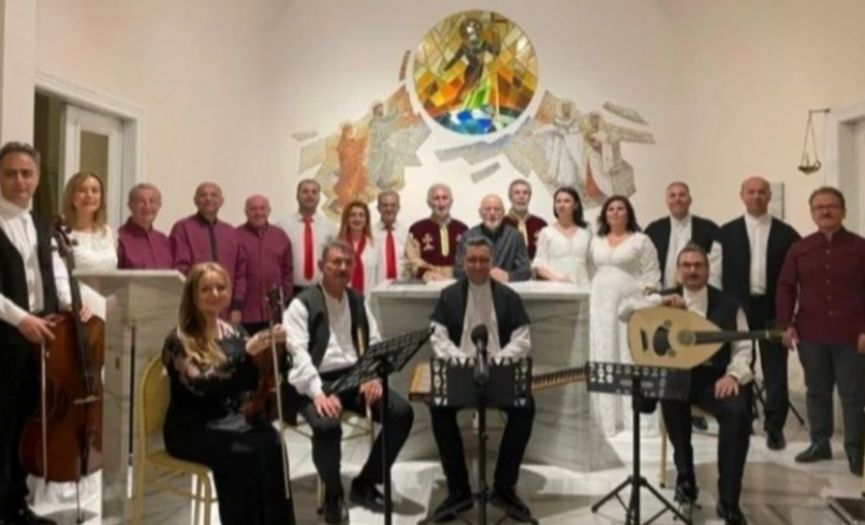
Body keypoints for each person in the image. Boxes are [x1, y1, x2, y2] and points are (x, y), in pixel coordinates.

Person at [282, 240, 414, 524]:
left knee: (401, 413)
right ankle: (333, 494)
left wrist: (371, 375)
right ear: (321, 266)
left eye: (347, 263)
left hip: (355, 375)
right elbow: (298, 354)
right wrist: (318, 393)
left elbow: (374, 342)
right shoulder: (301, 304)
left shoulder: (357, 300)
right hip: (316, 378)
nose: (342, 268)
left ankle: (365, 482)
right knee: (328, 427)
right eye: (335, 262)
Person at [623, 244, 753, 525]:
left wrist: (732, 375)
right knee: (671, 396)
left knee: (738, 412)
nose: (692, 270)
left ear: (708, 270)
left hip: (714, 377)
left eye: (698, 265)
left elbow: (743, 346)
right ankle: (686, 480)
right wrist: (657, 303)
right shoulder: (665, 297)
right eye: (686, 265)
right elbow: (625, 312)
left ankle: (729, 500)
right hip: (677, 374)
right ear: (678, 270)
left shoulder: (729, 304)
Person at [161, 262, 295, 525]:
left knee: (272, 441)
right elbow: (204, 385)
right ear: (192, 295)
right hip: (191, 427)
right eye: (206, 289)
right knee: (242, 453)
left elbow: (251, 380)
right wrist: (247, 353)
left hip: (230, 419)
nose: (215, 294)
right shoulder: (179, 338)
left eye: (221, 287)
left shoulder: (235, 331)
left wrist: (276, 353)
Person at [428, 236, 535, 523]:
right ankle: (459, 489)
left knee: (526, 408)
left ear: (492, 262)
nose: (478, 265)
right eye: (472, 260)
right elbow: (437, 337)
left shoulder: (508, 296)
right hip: (460, 373)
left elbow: (523, 340)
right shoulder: (449, 295)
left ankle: (503, 486)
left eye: (483, 260)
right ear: (464, 262)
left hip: (499, 373)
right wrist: (464, 362)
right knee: (439, 409)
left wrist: (495, 362)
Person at [0, 141, 75, 525]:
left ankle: (16, 505)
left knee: (27, 425)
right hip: (5, 338)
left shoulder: (43, 224)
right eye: (10, 173)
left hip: (42, 340)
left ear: (36, 178)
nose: (19, 181)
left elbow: (55, 276)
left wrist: (77, 305)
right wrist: (19, 319)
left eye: (26, 173)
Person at [777, 187, 865, 475]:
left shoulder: (860, 247)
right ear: (812, 212)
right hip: (811, 333)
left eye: (831, 206)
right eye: (819, 207)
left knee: (853, 394)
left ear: (843, 210)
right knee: (817, 392)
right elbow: (786, 287)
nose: (825, 211)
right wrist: (785, 324)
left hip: (852, 335)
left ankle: (855, 450)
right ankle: (820, 443)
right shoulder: (800, 248)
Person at [720, 176, 799, 451]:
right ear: (741, 195)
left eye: (762, 192)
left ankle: (774, 427)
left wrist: (791, 315)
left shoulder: (787, 234)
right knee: (740, 364)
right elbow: (717, 274)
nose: (756, 196)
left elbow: (795, 278)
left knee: (775, 370)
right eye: (751, 192)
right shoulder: (726, 232)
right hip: (737, 308)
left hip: (774, 308)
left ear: (769, 196)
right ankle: (743, 418)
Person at [589, 195, 660, 436]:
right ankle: (609, 418)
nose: (616, 212)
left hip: (628, 307)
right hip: (599, 305)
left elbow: (651, 277)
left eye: (621, 208)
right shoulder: (595, 241)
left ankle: (635, 416)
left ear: (628, 213)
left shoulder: (641, 240)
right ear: (605, 215)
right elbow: (589, 271)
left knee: (629, 356)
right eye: (611, 209)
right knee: (604, 354)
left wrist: (645, 304)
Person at [170, 182, 247, 323]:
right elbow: (180, 267)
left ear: (221, 201)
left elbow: (240, 272)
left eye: (214, 195)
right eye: (203, 195)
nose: (208, 198)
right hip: (194, 306)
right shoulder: (183, 228)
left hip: (226, 309)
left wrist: (237, 305)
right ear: (195, 200)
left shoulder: (231, 232)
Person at [644, 181, 722, 289]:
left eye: (682, 195)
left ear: (690, 200)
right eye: (672, 196)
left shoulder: (708, 228)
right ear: (667, 202)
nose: (677, 199)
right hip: (663, 294)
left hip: (699, 294)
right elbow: (647, 265)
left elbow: (715, 268)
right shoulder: (653, 230)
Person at [62, 171, 118, 320]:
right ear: (71, 196)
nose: (89, 195)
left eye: (95, 190)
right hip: (79, 309)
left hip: (109, 308)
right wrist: (72, 303)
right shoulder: (61, 234)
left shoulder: (110, 232)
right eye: (82, 190)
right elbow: (58, 278)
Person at [235, 195, 293, 335]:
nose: (258, 213)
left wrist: (285, 298)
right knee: (249, 352)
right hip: (246, 310)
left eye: (262, 208)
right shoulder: (235, 236)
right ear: (246, 212)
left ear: (269, 211)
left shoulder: (280, 236)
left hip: (274, 310)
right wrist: (235, 307)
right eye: (253, 209)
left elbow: (287, 270)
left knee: (275, 353)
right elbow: (233, 273)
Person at [278, 179, 337, 297]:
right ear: (297, 195)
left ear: (319, 197)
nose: (309, 195)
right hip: (291, 291)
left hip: (321, 291)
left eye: (314, 192)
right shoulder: (282, 226)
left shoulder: (330, 227)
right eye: (305, 191)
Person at [453, 194, 531, 283]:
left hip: (506, 289)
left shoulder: (515, 236)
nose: (492, 213)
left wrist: (509, 276)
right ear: (480, 213)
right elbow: (458, 271)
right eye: (487, 209)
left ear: (503, 213)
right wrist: (483, 274)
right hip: (476, 289)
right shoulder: (468, 236)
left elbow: (525, 270)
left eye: (497, 209)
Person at [531, 186, 591, 291]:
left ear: (576, 205)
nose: (562, 205)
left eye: (567, 201)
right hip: (555, 288)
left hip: (583, 287)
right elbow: (539, 264)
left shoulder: (586, 233)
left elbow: (592, 264)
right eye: (558, 201)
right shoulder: (546, 232)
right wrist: (558, 279)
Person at [406, 183, 468, 281]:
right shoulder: (417, 229)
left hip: (457, 283)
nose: (441, 203)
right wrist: (425, 272)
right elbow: (412, 258)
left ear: (451, 202)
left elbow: (469, 257)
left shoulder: (463, 229)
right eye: (436, 198)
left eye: (445, 198)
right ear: (429, 203)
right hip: (428, 283)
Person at [117, 183, 173, 269]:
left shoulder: (164, 241)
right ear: (130, 206)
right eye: (141, 202)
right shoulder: (117, 239)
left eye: (152, 201)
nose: (147, 206)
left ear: (159, 206)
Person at [338, 200, 378, 296]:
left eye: (361, 215)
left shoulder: (375, 246)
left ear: (366, 219)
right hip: (341, 300)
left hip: (368, 300)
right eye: (353, 215)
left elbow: (377, 278)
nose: (357, 219)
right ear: (346, 219)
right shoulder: (337, 245)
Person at [502, 179, 547, 260]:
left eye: (525, 193)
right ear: (510, 197)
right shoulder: (501, 224)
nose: (521, 196)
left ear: (529, 197)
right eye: (517, 193)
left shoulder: (540, 224)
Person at [373, 190, 407, 282]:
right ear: (378, 208)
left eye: (393, 205)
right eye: (385, 205)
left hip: (402, 287)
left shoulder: (407, 233)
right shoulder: (370, 234)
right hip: (377, 288)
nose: (389, 209)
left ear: (398, 208)